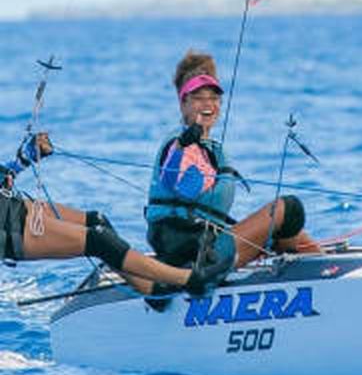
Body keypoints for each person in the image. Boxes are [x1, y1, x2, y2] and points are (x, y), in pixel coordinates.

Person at [145, 50, 320, 280]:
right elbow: (173, 178)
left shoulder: (210, 148)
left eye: (213, 98)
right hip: (194, 256)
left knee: (292, 238)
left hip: (207, 245)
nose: (207, 104)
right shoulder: (181, 144)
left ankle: (328, 276)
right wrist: (183, 149)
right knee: (288, 209)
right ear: (183, 103)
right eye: (198, 98)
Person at [0, 133, 227, 296]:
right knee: (98, 240)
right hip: (6, 227)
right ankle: (189, 280)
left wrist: (22, 159)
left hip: (11, 206)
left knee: (97, 221)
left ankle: (151, 288)